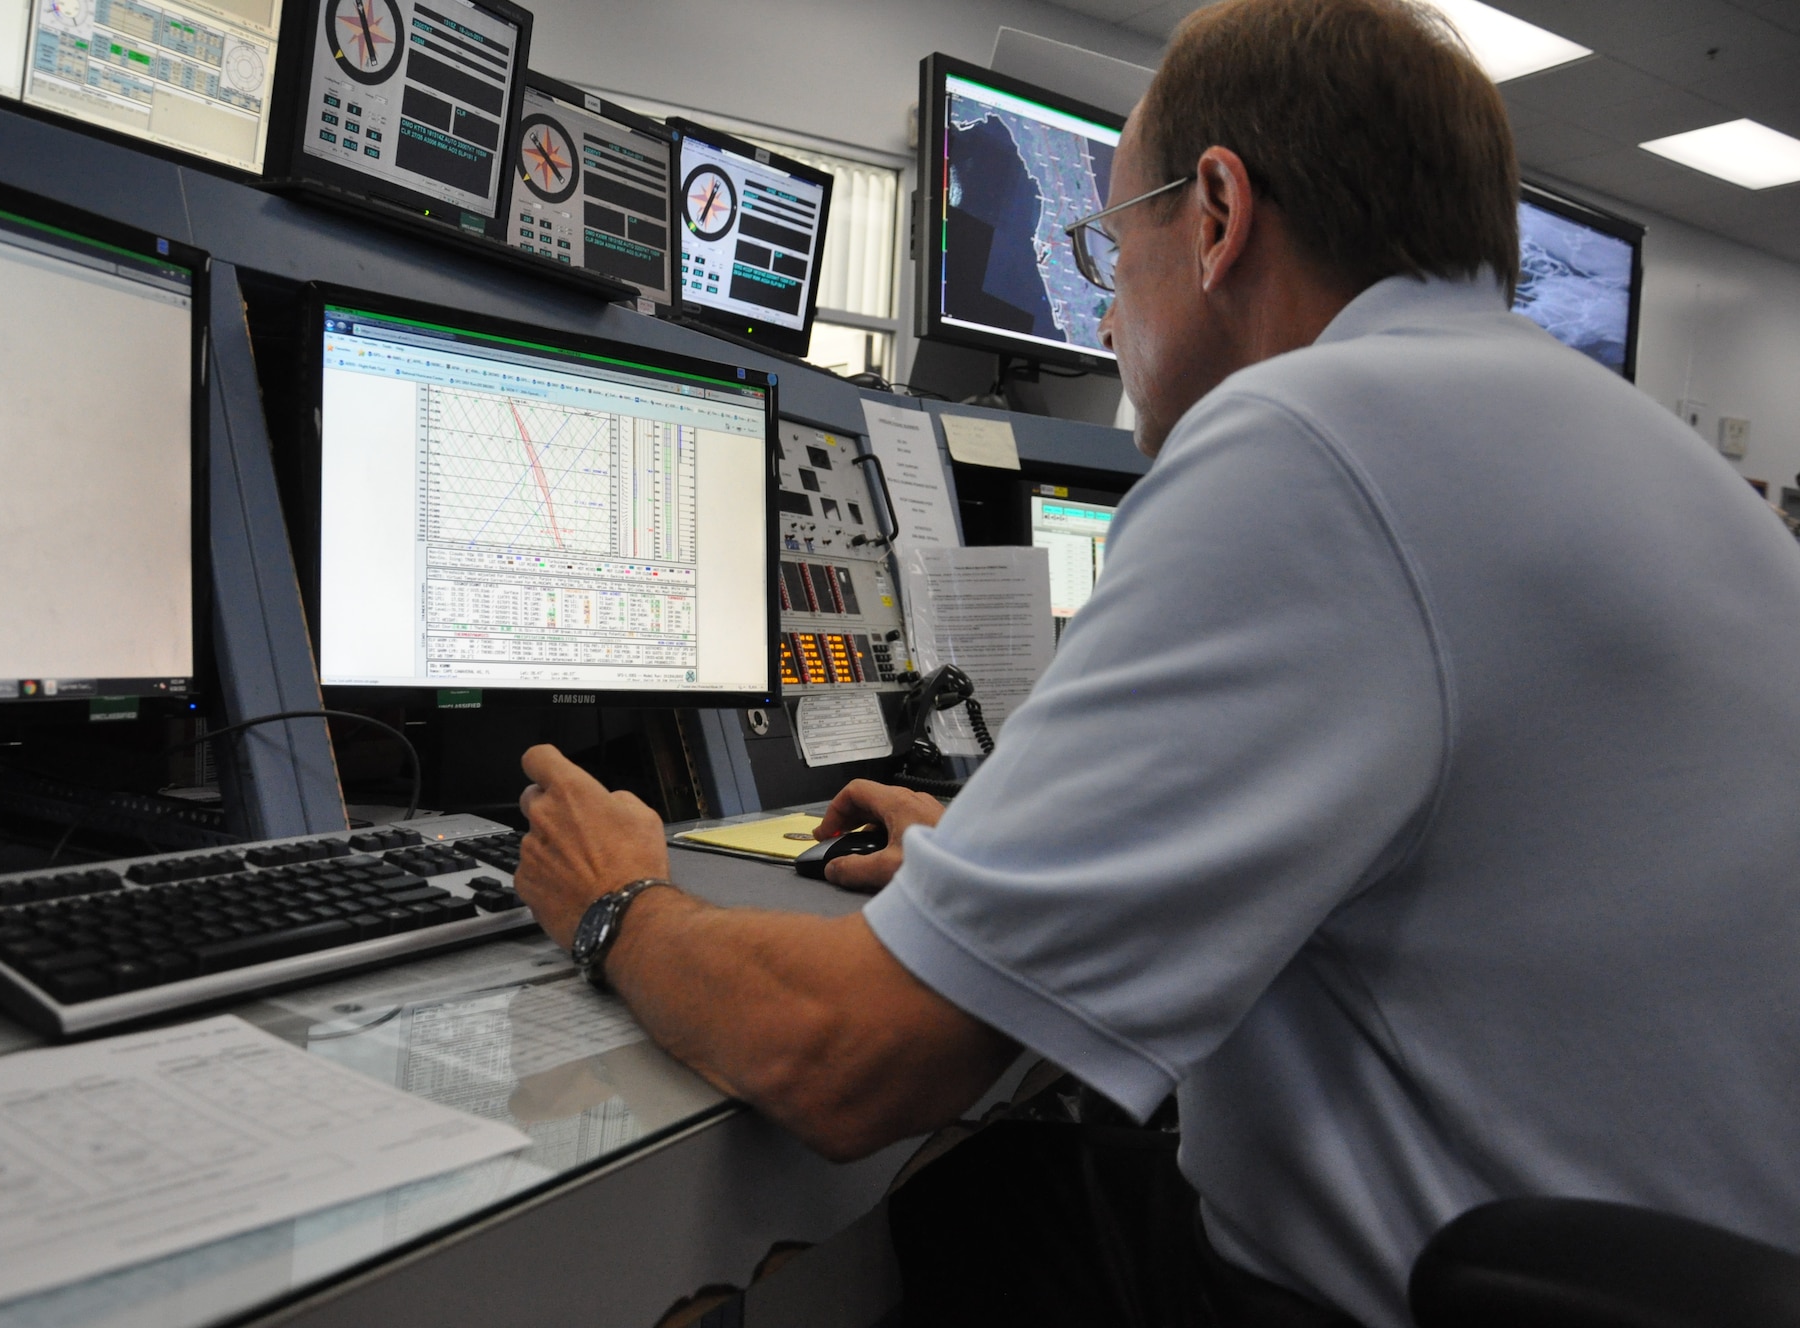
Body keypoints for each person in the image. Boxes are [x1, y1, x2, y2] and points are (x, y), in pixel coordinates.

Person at [513, 0, 1800, 1323]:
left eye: (1108, 243)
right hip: (1669, 1263)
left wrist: (620, 902)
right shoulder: (1644, 457)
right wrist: (1001, 858)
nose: (1108, 314)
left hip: (1436, 1299)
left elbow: (851, 1063)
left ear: (1220, 215)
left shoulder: (1309, 438)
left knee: (976, 1200)